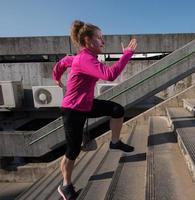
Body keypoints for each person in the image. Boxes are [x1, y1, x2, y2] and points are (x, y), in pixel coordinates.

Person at [52, 20, 137, 200]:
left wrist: (56, 77)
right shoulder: (85, 59)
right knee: (73, 150)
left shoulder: (77, 58)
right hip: (73, 110)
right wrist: (127, 55)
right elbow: (110, 75)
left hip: (87, 104)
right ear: (87, 40)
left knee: (117, 109)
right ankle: (65, 185)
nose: (103, 42)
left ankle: (114, 141)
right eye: (99, 38)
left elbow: (62, 63)